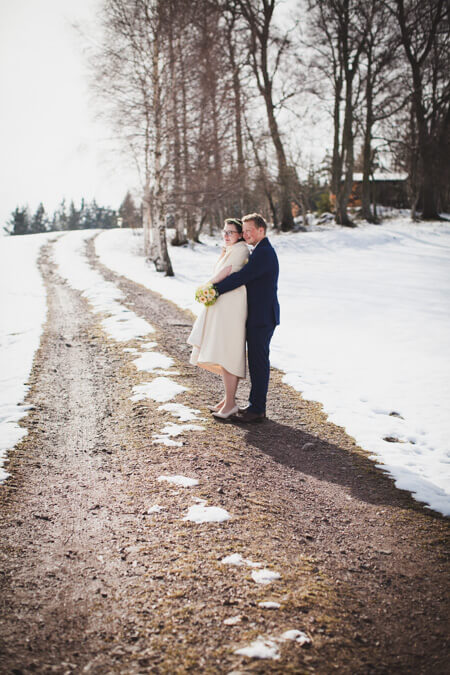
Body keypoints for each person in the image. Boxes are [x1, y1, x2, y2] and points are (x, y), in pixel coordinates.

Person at [212, 213, 279, 423]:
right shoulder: (258, 250)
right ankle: (254, 405)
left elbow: (243, 277)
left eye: (251, 230)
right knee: (257, 362)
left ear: (262, 230)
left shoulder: (264, 253)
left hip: (262, 317)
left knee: (259, 363)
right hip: (257, 316)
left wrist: (214, 289)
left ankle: (257, 409)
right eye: (245, 230)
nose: (247, 234)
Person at [187, 218, 249, 419]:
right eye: (224, 231)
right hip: (223, 306)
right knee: (223, 350)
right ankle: (227, 399)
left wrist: (206, 286)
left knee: (227, 351)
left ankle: (230, 403)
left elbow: (226, 272)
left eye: (230, 232)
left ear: (240, 234)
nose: (226, 235)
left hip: (231, 307)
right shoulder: (230, 250)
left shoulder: (241, 249)